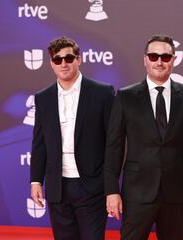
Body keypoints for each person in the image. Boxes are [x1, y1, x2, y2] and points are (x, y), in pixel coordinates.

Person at [104, 34, 183, 240]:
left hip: (177, 192)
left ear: (173, 60)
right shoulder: (126, 96)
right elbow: (113, 146)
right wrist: (111, 191)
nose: (159, 61)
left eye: (165, 57)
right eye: (153, 56)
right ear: (145, 59)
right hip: (137, 192)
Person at [30, 36, 114, 240]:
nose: (63, 64)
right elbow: (39, 143)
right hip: (57, 187)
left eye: (68, 58)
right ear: (51, 64)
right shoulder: (43, 97)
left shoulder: (102, 93)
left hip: (92, 186)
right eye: (57, 60)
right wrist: (35, 181)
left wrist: (110, 185)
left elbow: (113, 141)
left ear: (79, 59)